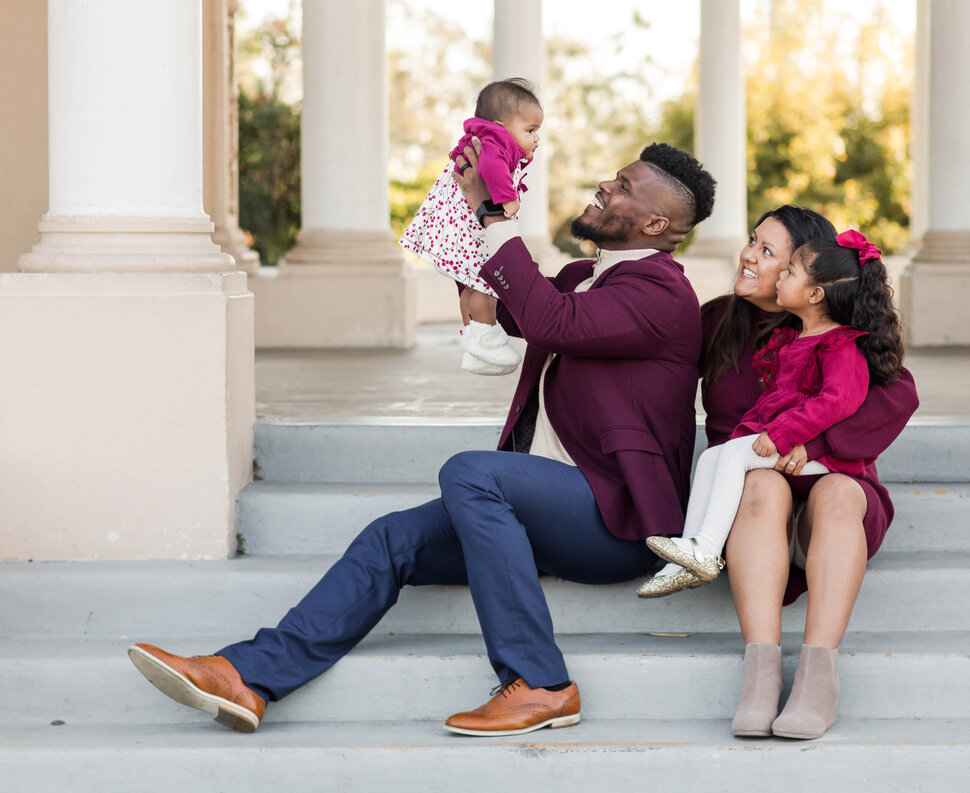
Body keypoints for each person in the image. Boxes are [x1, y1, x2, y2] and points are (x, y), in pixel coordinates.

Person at [127, 141, 717, 737]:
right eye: (612, 179)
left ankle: (541, 682)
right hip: (549, 509)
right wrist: (466, 204)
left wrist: (498, 221)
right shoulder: (580, 278)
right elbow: (509, 302)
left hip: (613, 521)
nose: (604, 188)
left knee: (472, 471)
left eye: (622, 186)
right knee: (393, 538)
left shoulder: (661, 293)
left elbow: (545, 320)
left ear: (656, 223)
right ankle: (248, 677)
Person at [680, 207, 918, 740]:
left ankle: (817, 680)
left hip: (828, 503)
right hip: (753, 503)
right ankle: (761, 678)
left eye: (769, 253)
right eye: (751, 241)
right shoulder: (718, 319)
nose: (748, 256)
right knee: (761, 484)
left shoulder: (839, 335)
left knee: (837, 491)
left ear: (812, 279)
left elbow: (898, 395)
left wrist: (813, 441)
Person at [637, 227, 900, 599]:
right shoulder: (789, 336)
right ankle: (686, 555)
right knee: (713, 455)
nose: (749, 255)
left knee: (729, 454)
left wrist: (787, 435)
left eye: (779, 260)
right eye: (751, 241)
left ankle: (707, 550)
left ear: (815, 291)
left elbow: (836, 401)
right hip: (780, 460)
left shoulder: (841, 344)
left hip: (820, 462)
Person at [400, 78, 543, 375]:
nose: (536, 138)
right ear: (502, 126)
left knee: (470, 283)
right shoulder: (496, 142)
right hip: (470, 229)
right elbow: (491, 168)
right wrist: (507, 199)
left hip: (455, 227)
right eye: (530, 131)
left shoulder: (485, 138)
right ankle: (484, 336)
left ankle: (475, 340)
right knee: (486, 282)